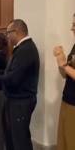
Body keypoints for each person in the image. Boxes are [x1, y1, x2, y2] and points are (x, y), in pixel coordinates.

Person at [0, 19, 40, 150]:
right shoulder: (22, 48)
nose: (6, 36)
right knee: (12, 137)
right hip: (15, 100)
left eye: (8, 33)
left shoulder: (26, 49)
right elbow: (11, 72)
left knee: (20, 140)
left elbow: (14, 78)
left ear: (16, 32)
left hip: (21, 101)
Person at [53, 14, 75, 150]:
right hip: (67, 99)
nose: (72, 28)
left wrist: (65, 65)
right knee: (64, 141)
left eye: (74, 24)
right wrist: (60, 61)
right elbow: (65, 75)